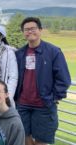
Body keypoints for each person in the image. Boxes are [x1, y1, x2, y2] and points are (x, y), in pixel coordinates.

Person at [15, 17, 71, 145]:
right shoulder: (20, 54)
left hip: (43, 106)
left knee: (42, 142)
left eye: (33, 28)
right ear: (23, 32)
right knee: (24, 139)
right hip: (22, 105)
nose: (30, 32)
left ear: (40, 30)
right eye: (26, 29)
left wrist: (53, 98)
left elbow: (64, 79)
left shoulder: (53, 52)